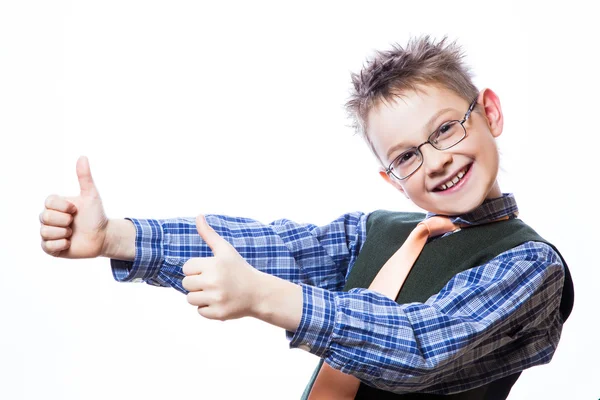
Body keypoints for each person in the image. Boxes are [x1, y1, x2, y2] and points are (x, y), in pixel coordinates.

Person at [39, 36, 574, 399]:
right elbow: (273, 249)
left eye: (445, 130)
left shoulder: (530, 266)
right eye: (407, 155)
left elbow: (421, 346)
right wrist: (117, 237)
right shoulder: (378, 231)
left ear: (491, 113)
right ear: (392, 177)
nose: (435, 161)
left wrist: (266, 299)